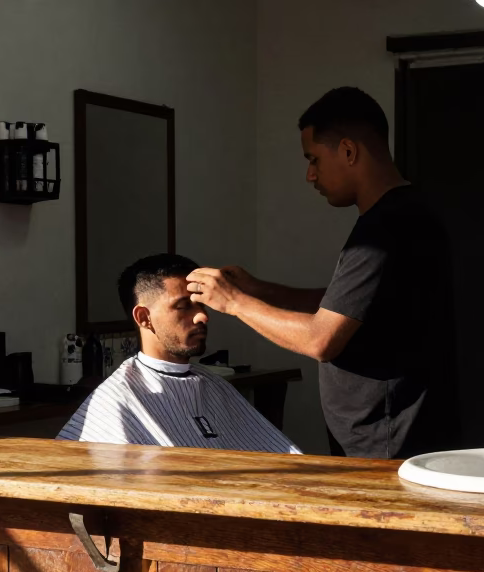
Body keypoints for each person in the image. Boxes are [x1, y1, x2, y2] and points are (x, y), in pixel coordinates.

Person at [187, 87, 455, 459]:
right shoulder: (409, 215)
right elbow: (348, 307)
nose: (310, 175)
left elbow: (321, 340)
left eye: (313, 159)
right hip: (393, 440)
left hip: (386, 448)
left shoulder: (384, 229)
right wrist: (259, 289)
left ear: (348, 151)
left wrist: (235, 302)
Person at [57, 254, 301, 454]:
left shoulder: (214, 385)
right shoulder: (117, 399)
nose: (202, 316)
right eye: (183, 306)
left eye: (202, 304)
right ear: (144, 317)